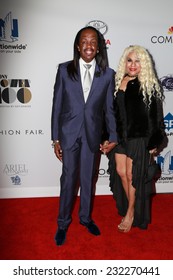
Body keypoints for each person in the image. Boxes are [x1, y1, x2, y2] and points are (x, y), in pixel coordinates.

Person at [51, 26, 117, 246]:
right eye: (84, 41)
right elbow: (57, 105)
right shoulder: (64, 70)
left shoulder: (108, 74)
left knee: (88, 179)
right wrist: (55, 138)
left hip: (92, 134)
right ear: (78, 46)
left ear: (98, 47)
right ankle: (62, 223)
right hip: (69, 134)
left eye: (93, 42)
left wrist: (113, 136)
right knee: (69, 179)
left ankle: (86, 218)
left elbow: (109, 109)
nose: (88, 45)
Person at [101, 45, 166, 232]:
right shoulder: (117, 82)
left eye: (138, 61)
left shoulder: (149, 84)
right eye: (130, 60)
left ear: (143, 64)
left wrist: (155, 140)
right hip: (120, 137)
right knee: (121, 173)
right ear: (125, 62)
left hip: (139, 137)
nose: (133, 65)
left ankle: (130, 213)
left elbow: (157, 116)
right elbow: (110, 113)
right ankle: (134, 207)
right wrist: (106, 136)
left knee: (132, 175)